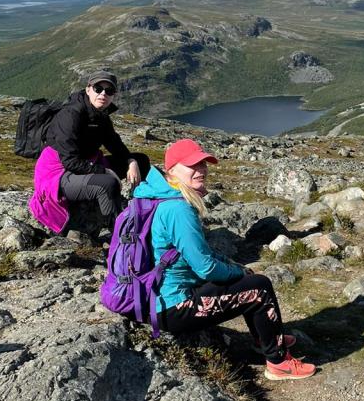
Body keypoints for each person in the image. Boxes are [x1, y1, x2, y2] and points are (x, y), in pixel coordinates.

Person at [133, 137, 316, 381]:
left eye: (203, 164)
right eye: (192, 165)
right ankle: (278, 361)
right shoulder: (177, 209)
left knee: (247, 282)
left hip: (155, 298)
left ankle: (268, 338)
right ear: (172, 170)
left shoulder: (157, 197)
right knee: (260, 287)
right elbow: (205, 267)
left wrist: (234, 267)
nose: (201, 170)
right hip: (172, 308)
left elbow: (198, 252)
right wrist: (240, 273)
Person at [30, 70, 150, 235]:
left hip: (86, 165)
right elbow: (70, 162)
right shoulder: (71, 115)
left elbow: (115, 144)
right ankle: (118, 234)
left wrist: (131, 161)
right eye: (98, 88)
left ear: (113, 95)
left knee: (141, 160)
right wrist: (105, 171)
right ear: (88, 90)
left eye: (109, 91)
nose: (103, 94)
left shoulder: (101, 116)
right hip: (59, 174)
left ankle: (141, 209)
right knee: (107, 183)